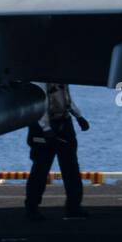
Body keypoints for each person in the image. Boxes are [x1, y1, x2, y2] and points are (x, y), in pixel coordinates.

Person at [24, 82, 90, 220]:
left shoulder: (59, 76)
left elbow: (65, 96)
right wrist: (46, 129)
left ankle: (74, 206)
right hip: (43, 128)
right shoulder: (40, 81)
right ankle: (32, 208)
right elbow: (40, 103)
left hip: (63, 122)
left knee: (71, 168)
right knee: (40, 169)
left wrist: (78, 116)